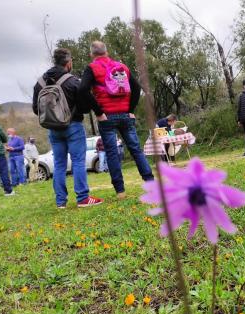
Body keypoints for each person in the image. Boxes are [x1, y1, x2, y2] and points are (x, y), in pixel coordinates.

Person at [78, 41, 154, 200]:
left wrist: (98, 112)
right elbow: (137, 87)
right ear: (106, 51)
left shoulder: (91, 68)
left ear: (92, 54)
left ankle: (120, 192)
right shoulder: (122, 67)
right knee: (136, 150)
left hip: (107, 117)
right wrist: (130, 110)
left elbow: (83, 89)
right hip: (125, 116)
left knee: (112, 153)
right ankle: (151, 185)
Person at [33, 48, 103, 208]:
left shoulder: (40, 83)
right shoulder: (72, 81)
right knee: (78, 161)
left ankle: (60, 202)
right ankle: (83, 198)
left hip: (53, 129)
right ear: (68, 62)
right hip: (73, 126)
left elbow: (35, 109)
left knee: (59, 164)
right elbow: (85, 107)